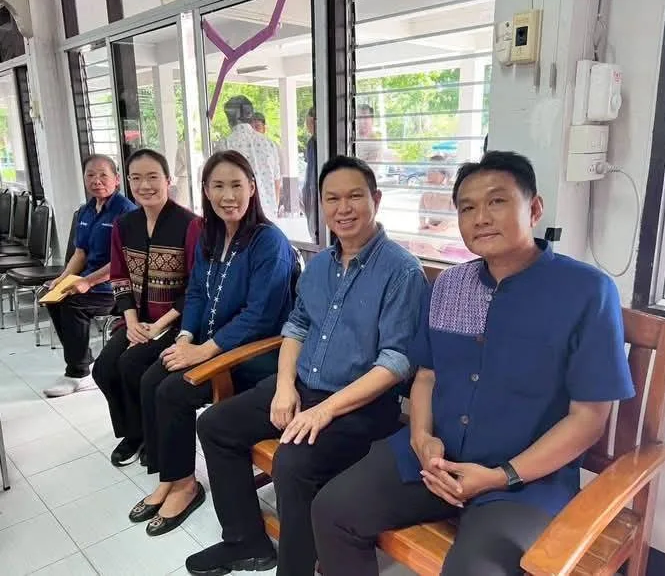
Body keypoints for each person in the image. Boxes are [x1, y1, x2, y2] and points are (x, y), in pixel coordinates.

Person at [311, 151, 636, 576]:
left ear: (534, 209)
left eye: (497, 201)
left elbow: (589, 417)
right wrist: (422, 439)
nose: (481, 218)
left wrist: (501, 476)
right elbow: (426, 376)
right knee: (332, 510)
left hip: (524, 481)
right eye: (467, 208)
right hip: (434, 462)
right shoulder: (450, 285)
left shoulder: (586, 292)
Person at [184, 156, 427, 576]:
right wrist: (284, 386)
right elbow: (295, 327)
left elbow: (396, 362)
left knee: (293, 463)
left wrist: (325, 410)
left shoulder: (402, 272)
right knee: (215, 425)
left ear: (376, 199)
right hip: (302, 389)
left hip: (361, 407)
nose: (343, 208)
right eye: (332, 198)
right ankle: (246, 542)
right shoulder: (318, 266)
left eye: (355, 196)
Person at [128, 150, 296, 537]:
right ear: (206, 191)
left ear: (252, 188)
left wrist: (203, 351)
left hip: (254, 356)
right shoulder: (211, 233)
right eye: (218, 186)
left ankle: (186, 487)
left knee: (172, 391)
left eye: (236, 185)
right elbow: (197, 293)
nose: (228, 195)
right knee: (151, 379)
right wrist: (186, 336)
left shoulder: (268, 241)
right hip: (210, 345)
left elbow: (260, 316)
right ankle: (171, 478)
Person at [92, 149, 201, 468]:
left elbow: (197, 286)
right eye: (136, 178)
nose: (145, 185)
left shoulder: (191, 225)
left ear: (168, 180)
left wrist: (159, 325)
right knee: (104, 368)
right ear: (127, 182)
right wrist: (131, 321)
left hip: (177, 323)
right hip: (137, 320)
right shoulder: (124, 225)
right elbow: (119, 276)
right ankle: (134, 432)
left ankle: (152, 436)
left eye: (153, 177)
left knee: (131, 364)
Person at [43, 154, 137, 398]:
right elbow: (80, 253)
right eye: (90, 175)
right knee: (52, 297)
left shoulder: (126, 212)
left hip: (116, 287)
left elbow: (124, 261)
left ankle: (78, 374)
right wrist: (63, 278)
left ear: (117, 179)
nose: (97, 180)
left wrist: (88, 281)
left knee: (73, 304)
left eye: (103, 175)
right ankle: (82, 362)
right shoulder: (85, 211)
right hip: (88, 281)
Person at [218, 96, 281, 219]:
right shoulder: (269, 143)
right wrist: (273, 211)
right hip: (268, 215)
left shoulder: (225, 145)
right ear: (251, 116)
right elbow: (276, 183)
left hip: (240, 216)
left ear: (229, 119)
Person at [418, 155, 455, 233]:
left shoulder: (450, 189)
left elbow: (454, 213)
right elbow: (421, 209)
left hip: (448, 227)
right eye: (429, 170)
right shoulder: (427, 188)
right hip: (431, 226)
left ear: (444, 174)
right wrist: (422, 224)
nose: (429, 174)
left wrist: (440, 227)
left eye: (434, 171)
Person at [301, 107, 318, 242]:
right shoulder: (311, 142)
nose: (308, 127)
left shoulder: (324, 142)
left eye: (310, 123)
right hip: (310, 185)